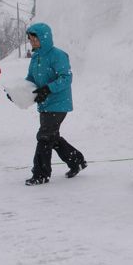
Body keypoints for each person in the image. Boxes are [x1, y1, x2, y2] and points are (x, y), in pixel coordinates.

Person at [24, 22, 87, 186]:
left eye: (34, 39)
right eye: (30, 39)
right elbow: (30, 80)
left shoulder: (57, 55)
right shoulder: (36, 57)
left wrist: (48, 89)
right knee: (52, 137)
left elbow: (66, 78)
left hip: (59, 103)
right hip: (45, 104)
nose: (32, 42)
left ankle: (41, 174)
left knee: (44, 137)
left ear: (43, 38)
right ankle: (76, 161)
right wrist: (18, 93)